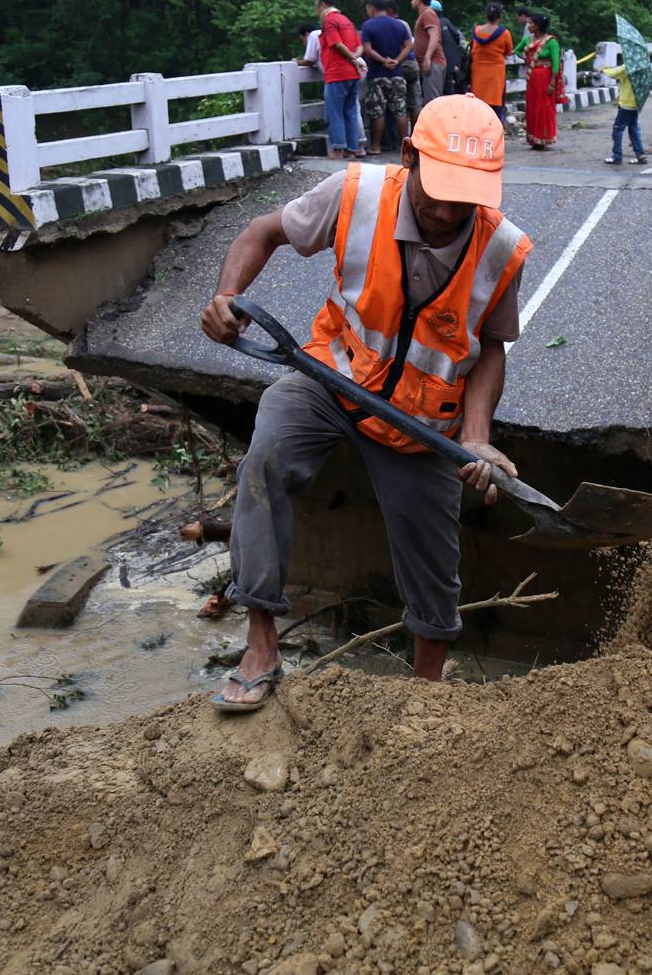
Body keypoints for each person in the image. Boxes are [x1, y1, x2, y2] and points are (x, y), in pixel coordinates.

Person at [197, 95, 532, 711]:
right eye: (439, 190)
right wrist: (227, 295)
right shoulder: (356, 192)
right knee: (265, 460)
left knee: (433, 557)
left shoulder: (500, 246)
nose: (450, 208)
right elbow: (262, 232)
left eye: (467, 193)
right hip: (330, 383)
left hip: (421, 426)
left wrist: (478, 434)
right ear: (409, 156)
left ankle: (426, 690)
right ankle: (261, 642)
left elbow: (490, 347)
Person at [315, 0, 368, 159]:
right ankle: (351, 149)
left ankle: (338, 149)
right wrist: (355, 59)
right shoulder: (347, 20)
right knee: (350, 111)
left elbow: (336, 44)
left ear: (323, 5)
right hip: (352, 74)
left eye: (316, 7)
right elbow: (359, 46)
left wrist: (351, 58)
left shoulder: (329, 21)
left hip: (337, 73)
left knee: (335, 112)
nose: (316, 12)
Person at [359, 0, 412, 154]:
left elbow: (367, 49)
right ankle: (406, 146)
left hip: (377, 74)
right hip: (397, 74)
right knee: (400, 109)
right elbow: (409, 46)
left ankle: (376, 146)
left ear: (372, 8)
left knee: (378, 111)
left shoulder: (368, 26)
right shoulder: (399, 25)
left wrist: (383, 61)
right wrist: (396, 60)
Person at [522, 14, 563, 150]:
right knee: (532, 106)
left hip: (545, 78)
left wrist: (552, 83)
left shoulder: (551, 42)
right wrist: (527, 58)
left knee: (544, 107)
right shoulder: (529, 40)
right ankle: (534, 138)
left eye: (531, 23)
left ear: (538, 26)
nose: (529, 26)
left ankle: (543, 138)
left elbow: (556, 65)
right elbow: (516, 51)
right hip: (533, 78)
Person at [469, 3, 513, 124]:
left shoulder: (476, 31)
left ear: (486, 15)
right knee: (496, 103)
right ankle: (494, 131)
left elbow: (472, 50)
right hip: (496, 73)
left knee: (479, 103)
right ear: (500, 16)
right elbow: (508, 51)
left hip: (478, 71)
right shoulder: (504, 33)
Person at [601, 58, 647, 166]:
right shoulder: (642, 67)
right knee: (633, 129)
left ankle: (617, 156)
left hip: (626, 104)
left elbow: (614, 73)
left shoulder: (629, 66)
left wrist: (604, 70)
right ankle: (640, 154)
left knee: (617, 130)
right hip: (636, 104)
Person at [412, 0, 445, 104]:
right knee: (429, 100)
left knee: (433, 102)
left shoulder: (428, 13)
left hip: (433, 62)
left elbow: (434, 36)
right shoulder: (424, 15)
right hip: (428, 63)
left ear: (419, 0)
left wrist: (427, 58)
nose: (411, 1)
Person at [433, 0, 467, 96]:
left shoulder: (434, 24)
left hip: (443, 63)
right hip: (454, 62)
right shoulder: (446, 22)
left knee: (446, 91)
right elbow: (457, 37)